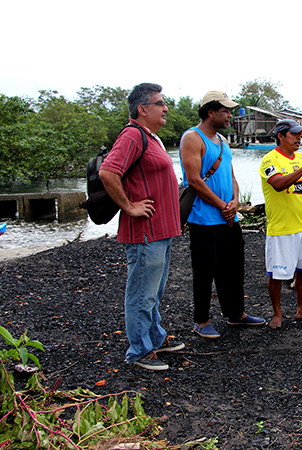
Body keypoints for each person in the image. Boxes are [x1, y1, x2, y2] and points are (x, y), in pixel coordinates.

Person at [99, 83, 184, 371]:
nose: (166, 108)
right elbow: (108, 171)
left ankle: (155, 339)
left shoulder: (150, 137)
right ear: (142, 109)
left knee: (154, 291)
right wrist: (129, 206)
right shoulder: (133, 135)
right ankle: (139, 351)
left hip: (162, 230)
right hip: (145, 231)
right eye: (160, 103)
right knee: (141, 293)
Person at [180, 91, 266, 339]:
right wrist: (222, 205)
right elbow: (194, 180)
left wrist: (235, 203)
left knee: (233, 268)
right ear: (210, 112)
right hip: (204, 219)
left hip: (229, 217)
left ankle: (235, 313)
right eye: (225, 111)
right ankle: (201, 320)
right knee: (204, 271)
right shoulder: (192, 138)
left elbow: (232, 177)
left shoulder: (223, 141)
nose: (230, 115)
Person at [259, 119, 302, 329]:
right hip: (281, 227)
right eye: (294, 134)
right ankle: (277, 314)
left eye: (301, 135)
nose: (299, 138)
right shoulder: (269, 160)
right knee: (276, 273)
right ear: (280, 136)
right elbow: (278, 184)